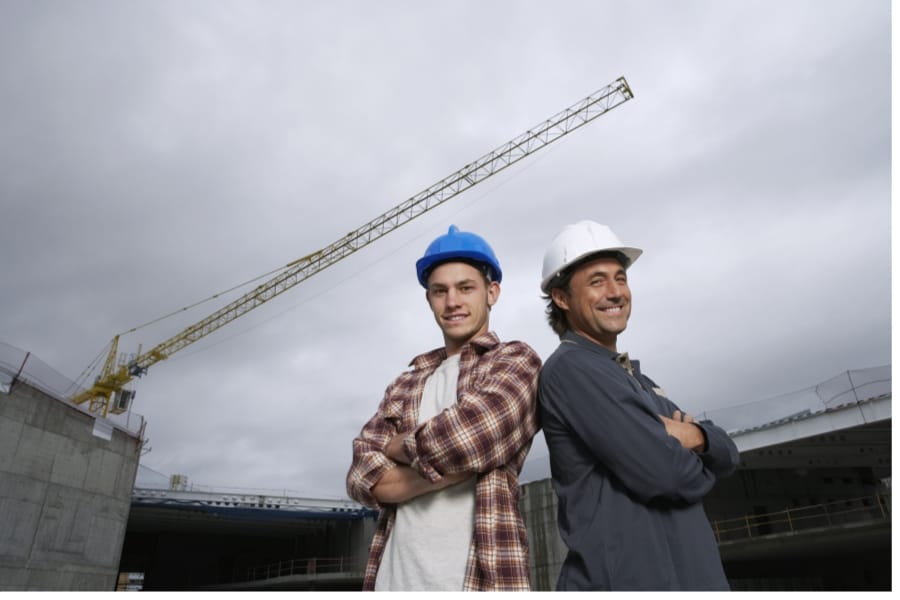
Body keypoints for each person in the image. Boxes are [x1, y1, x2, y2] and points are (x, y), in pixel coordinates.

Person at [537, 220, 740, 591]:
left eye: (621, 278)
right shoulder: (572, 369)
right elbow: (668, 474)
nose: (615, 292)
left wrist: (694, 437)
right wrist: (684, 449)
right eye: (597, 282)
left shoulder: (639, 382)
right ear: (562, 298)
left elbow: (728, 454)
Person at [346, 225, 541, 591]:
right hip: (393, 582)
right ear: (429, 300)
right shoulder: (406, 383)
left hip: (477, 582)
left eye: (466, 288)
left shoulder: (514, 361)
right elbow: (359, 476)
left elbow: (472, 436)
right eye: (440, 291)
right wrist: (455, 470)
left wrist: (397, 449)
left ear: (492, 292)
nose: (452, 302)